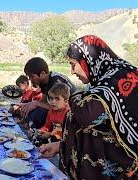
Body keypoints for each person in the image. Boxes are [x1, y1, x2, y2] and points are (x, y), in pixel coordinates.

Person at [40, 35, 138, 179]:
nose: (72, 71)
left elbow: (86, 115)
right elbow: (102, 130)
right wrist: (61, 146)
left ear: (88, 59)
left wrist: (72, 97)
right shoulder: (104, 80)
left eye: (73, 64)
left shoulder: (119, 76)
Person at [19, 57, 76, 129]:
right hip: (58, 107)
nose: (30, 79)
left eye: (32, 76)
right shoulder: (43, 81)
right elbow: (44, 100)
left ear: (42, 73)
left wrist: (36, 103)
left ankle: (38, 131)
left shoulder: (56, 81)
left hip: (70, 111)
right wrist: (29, 105)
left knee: (39, 113)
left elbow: (58, 105)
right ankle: (30, 125)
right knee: (31, 106)